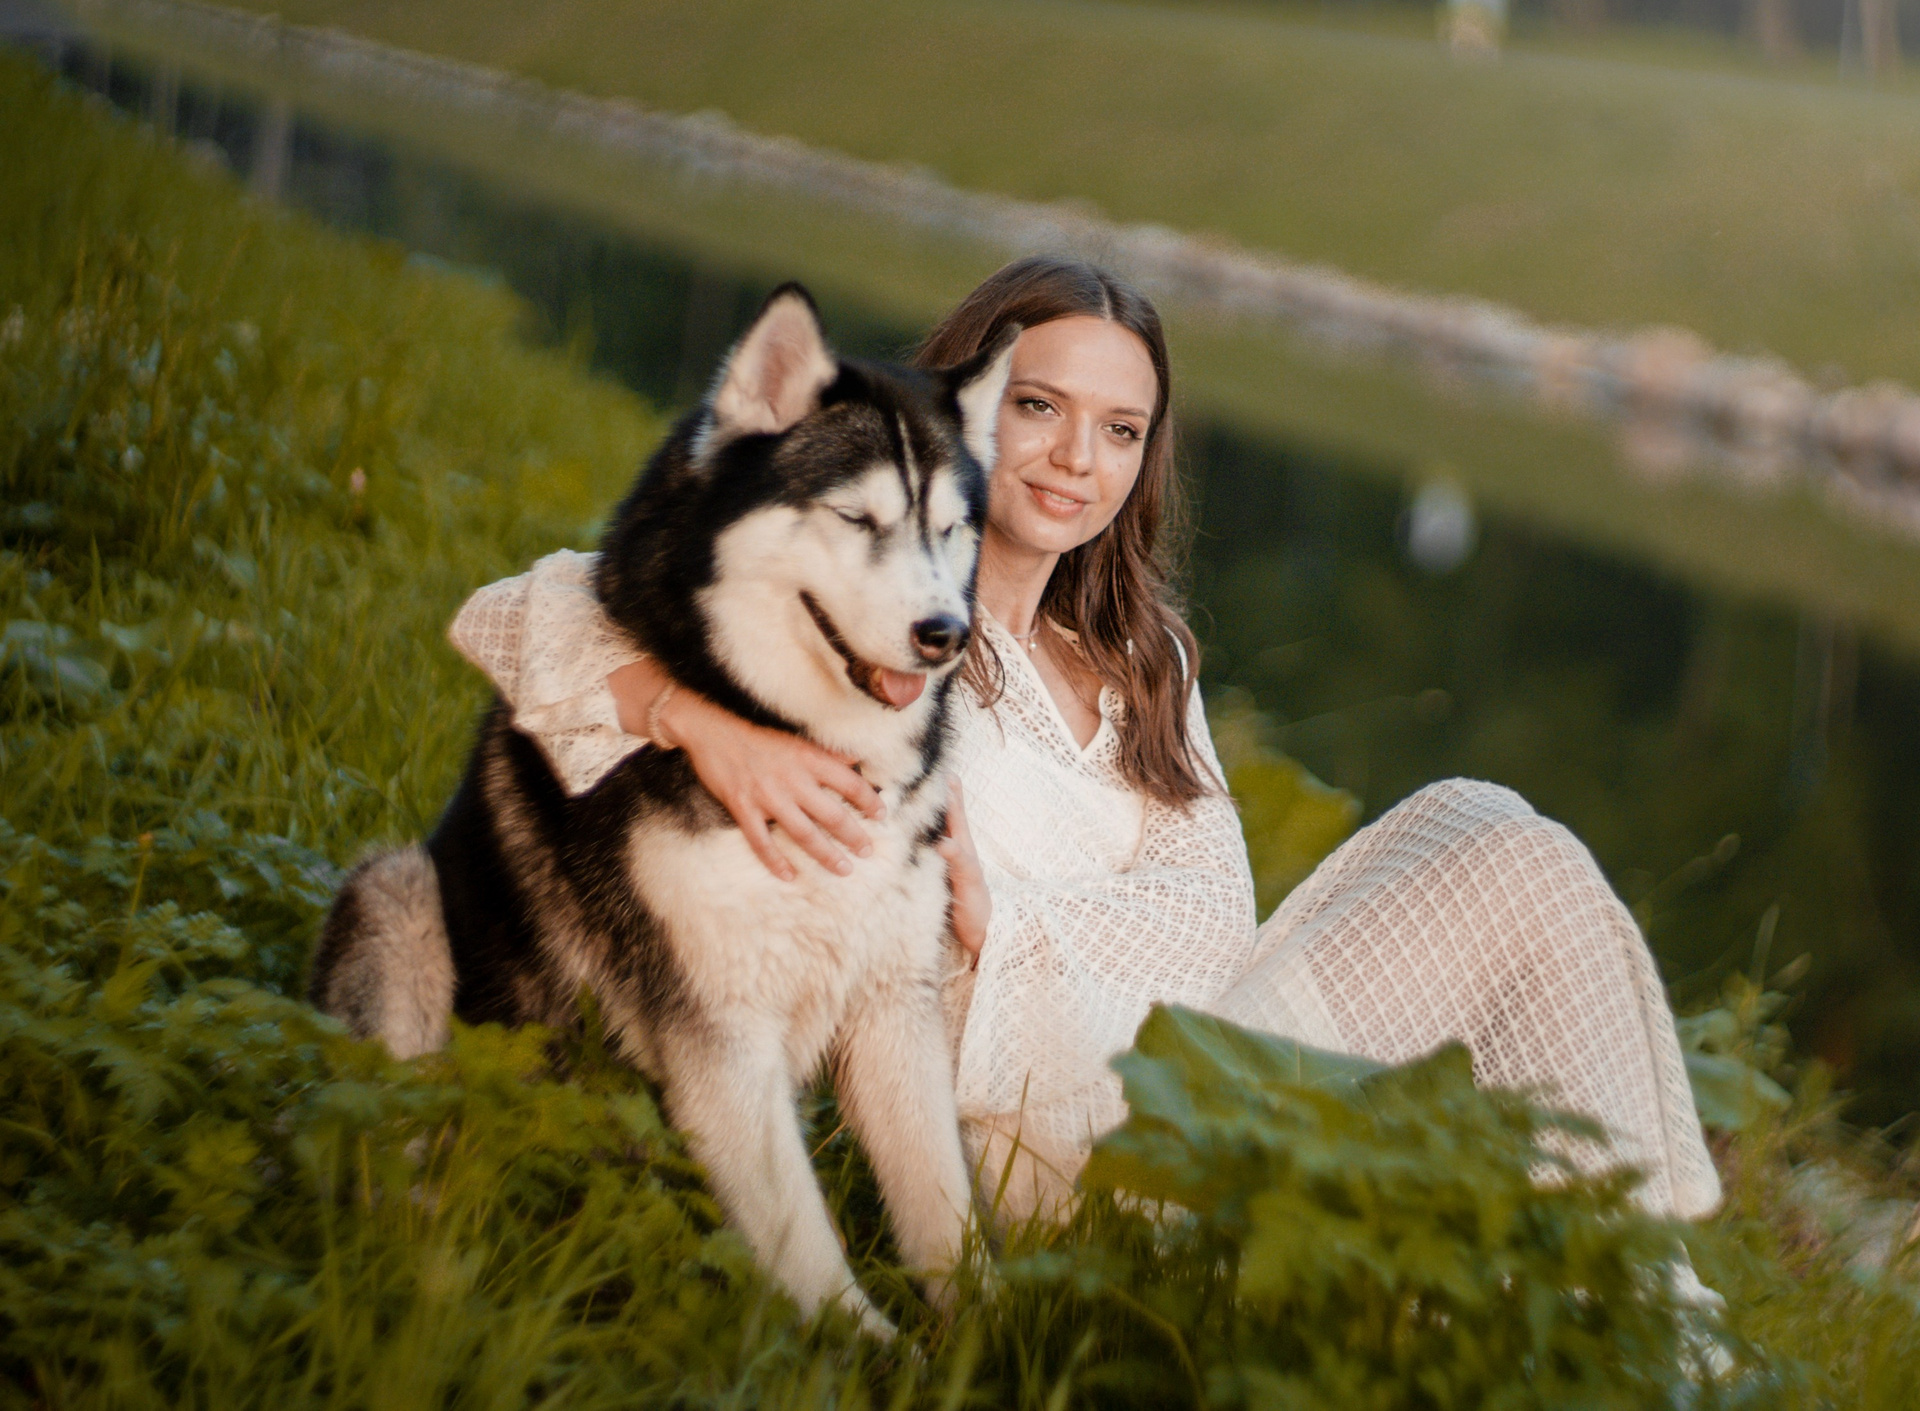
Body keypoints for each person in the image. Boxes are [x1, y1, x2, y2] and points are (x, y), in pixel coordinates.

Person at [446, 256, 1719, 1228]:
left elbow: (1213, 916)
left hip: (1185, 1058)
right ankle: (1632, 1297)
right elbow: (517, 612)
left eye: (1120, 430)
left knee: (1491, 831)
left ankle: (1617, 1279)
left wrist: (1011, 920)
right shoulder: (859, 616)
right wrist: (704, 729)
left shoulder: (1141, 662)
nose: (1074, 460)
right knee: (1498, 852)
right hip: (1035, 1130)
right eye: (1041, 407)